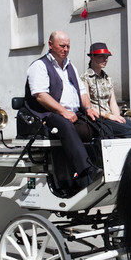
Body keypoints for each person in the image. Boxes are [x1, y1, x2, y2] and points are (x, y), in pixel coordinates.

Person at [23, 30, 100, 181]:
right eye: (62, 46)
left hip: (74, 112)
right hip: (48, 114)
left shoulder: (71, 66)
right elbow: (40, 95)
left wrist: (89, 108)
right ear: (51, 45)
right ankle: (86, 170)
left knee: (100, 125)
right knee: (66, 126)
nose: (65, 49)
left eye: (68, 46)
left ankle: (103, 164)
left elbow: (82, 92)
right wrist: (63, 111)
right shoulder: (39, 66)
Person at [82, 42, 131, 138]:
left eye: (107, 56)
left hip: (111, 117)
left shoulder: (108, 79)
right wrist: (110, 116)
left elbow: (113, 102)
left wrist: (117, 117)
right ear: (92, 57)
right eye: (101, 56)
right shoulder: (85, 78)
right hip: (99, 119)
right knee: (127, 131)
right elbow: (88, 106)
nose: (105, 59)